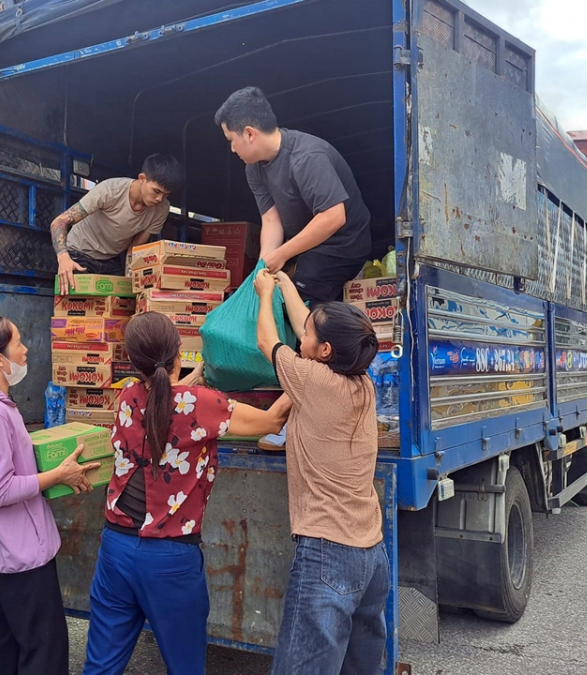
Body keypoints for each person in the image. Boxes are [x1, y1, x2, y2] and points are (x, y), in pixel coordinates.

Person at [82, 312, 292, 675]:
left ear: (134, 363)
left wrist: (191, 381)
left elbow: (167, 398)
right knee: (185, 667)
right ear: (179, 353)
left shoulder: (128, 398)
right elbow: (272, 421)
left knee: (100, 667)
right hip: (169, 559)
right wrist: (306, 376)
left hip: (116, 548)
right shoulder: (202, 404)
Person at [0, 315, 99, 675]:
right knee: (42, 650)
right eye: (18, 342)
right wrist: (58, 475)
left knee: (9, 641)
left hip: (3, 549)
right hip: (18, 553)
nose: (26, 349)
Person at [253, 270, 388, 675]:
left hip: (327, 552)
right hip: (371, 552)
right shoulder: (363, 383)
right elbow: (305, 325)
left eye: (309, 336)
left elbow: (266, 340)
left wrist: (263, 295)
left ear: (324, 350)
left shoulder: (311, 380)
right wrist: (286, 284)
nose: (301, 337)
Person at [216, 87, 372, 304]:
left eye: (231, 139)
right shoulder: (254, 168)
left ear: (250, 134)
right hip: (304, 246)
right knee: (267, 289)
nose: (232, 149)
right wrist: (263, 267)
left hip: (342, 245)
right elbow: (271, 220)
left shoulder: (306, 157)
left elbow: (334, 216)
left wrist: (282, 255)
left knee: (296, 297)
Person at [53, 154, 185, 293]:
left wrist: (129, 279)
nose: (159, 198)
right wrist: (63, 258)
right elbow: (59, 222)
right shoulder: (110, 190)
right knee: (78, 308)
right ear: (142, 179)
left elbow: (135, 248)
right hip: (78, 255)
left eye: (166, 195)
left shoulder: (162, 209)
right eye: (156, 191)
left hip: (111, 260)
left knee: (121, 307)